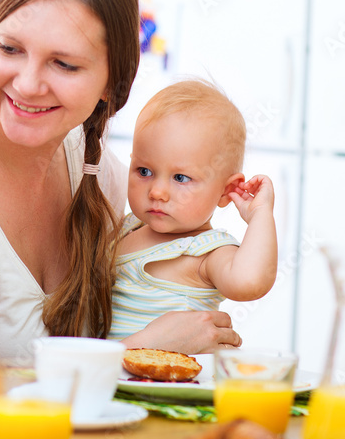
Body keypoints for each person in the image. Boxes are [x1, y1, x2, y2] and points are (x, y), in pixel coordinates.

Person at [0, 0, 243, 363]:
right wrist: (138, 350)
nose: (28, 84)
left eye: (64, 64)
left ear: (113, 82)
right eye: (9, 48)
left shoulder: (99, 174)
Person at [107, 79, 277, 340]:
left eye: (180, 178)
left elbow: (250, 283)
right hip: (114, 372)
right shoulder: (127, 228)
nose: (157, 192)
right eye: (144, 171)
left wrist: (260, 215)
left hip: (176, 380)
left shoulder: (206, 251)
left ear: (225, 190)